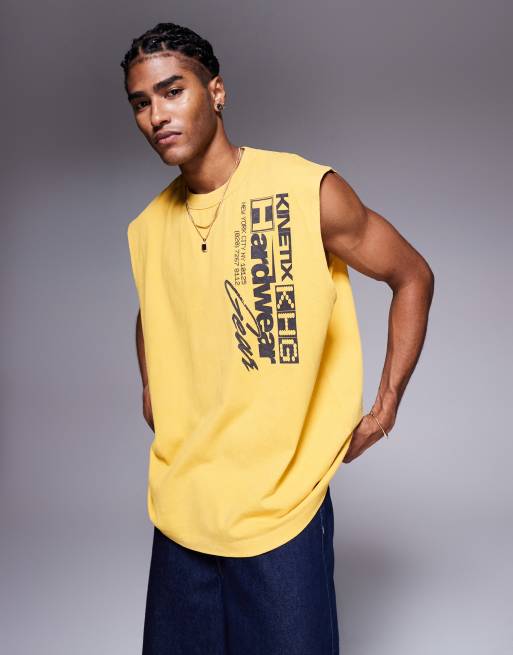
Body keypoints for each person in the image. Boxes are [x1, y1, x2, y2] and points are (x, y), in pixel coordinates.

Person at [120, 21, 434, 655]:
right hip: (182, 517)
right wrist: (154, 389)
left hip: (281, 517)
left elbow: (411, 276)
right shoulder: (148, 227)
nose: (157, 115)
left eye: (173, 91)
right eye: (141, 102)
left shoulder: (305, 190)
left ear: (216, 92)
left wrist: (385, 408)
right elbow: (152, 309)